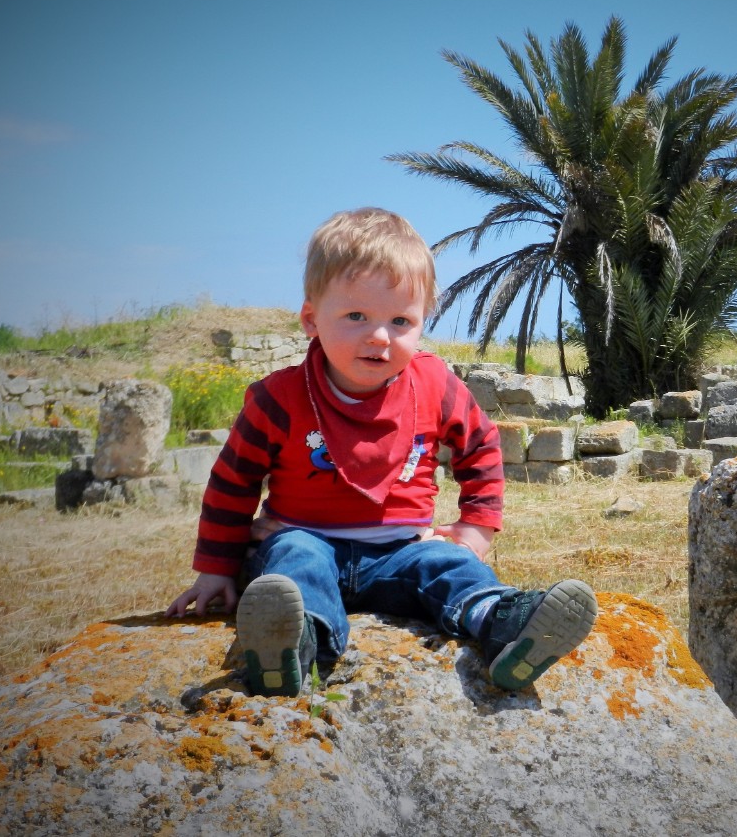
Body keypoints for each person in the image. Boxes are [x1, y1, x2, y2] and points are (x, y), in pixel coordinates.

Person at [166, 208, 598, 697]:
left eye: (400, 321)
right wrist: (216, 569)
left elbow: (480, 445)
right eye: (356, 316)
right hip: (307, 538)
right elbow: (233, 481)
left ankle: (505, 626)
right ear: (312, 318)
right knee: (293, 561)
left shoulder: (434, 383)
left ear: (422, 324)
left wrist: (476, 527)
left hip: (403, 551)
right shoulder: (278, 398)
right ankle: (293, 644)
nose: (379, 336)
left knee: (449, 565)